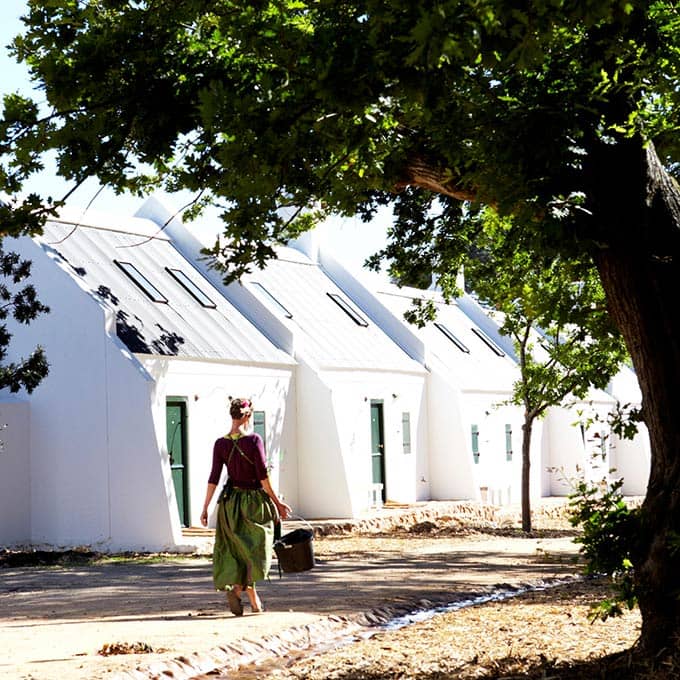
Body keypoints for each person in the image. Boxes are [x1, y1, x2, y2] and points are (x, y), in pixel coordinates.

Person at [200, 397, 291, 616]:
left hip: (230, 504)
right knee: (257, 550)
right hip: (253, 503)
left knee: (237, 551)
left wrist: (205, 508)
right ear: (248, 416)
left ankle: (253, 599)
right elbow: (263, 476)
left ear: (232, 415)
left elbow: (213, 477)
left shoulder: (220, 443)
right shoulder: (254, 441)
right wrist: (277, 502)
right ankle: (239, 589)